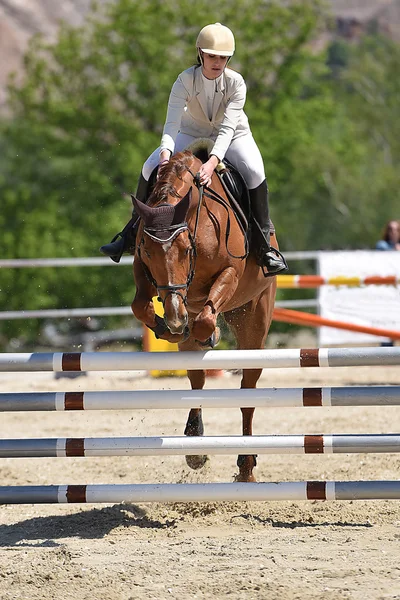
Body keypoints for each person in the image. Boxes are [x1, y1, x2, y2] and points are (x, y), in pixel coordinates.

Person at [100, 23, 287, 275]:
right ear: (200, 53)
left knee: (254, 171)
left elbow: (227, 128)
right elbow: (171, 123)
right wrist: (166, 154)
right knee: (149, 166)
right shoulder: (184, 80)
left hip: (233, 136)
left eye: (223, 57)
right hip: (190, 132)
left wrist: (212, 163)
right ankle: (131, 232)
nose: (217, 62)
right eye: (212, 56)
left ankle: (264, 245)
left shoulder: (237, 83)